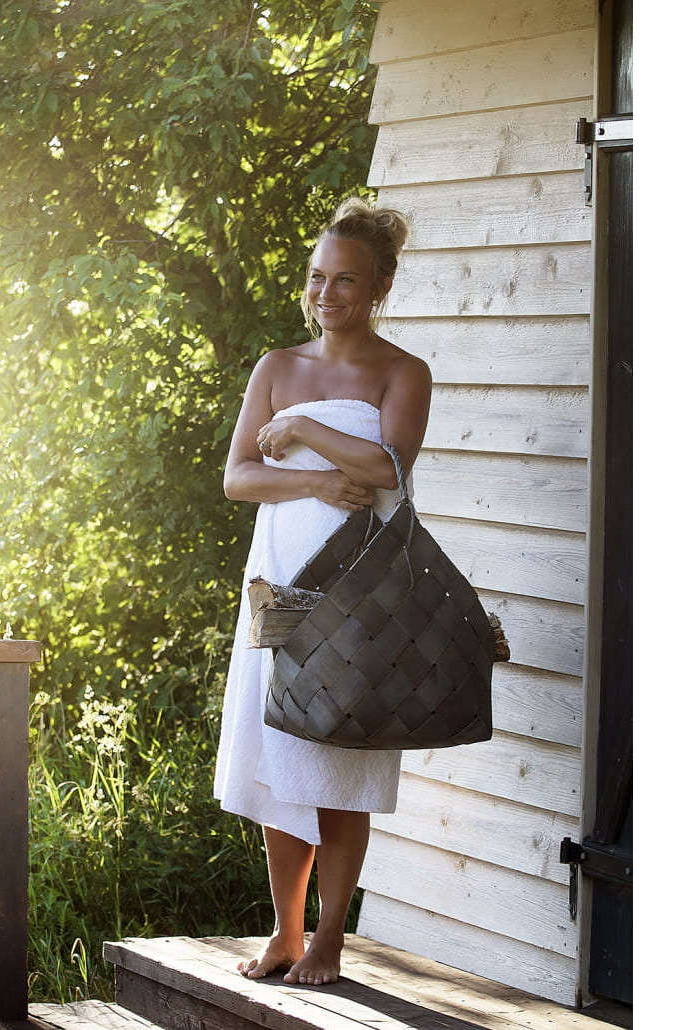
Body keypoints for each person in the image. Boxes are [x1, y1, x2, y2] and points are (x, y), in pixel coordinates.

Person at [213, 197, 432, 986]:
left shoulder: (403, 372)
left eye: (345, 280)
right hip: (276, 585)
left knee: (341, 754)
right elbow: (240, 477)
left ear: (379, 286)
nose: (326, 293)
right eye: (316, 277)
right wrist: (308, 477)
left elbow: (388, 473)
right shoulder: (277, 367)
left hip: (363, 588)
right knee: (280, 751)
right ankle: (285, 933)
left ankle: (332, 936)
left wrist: (303, 429)